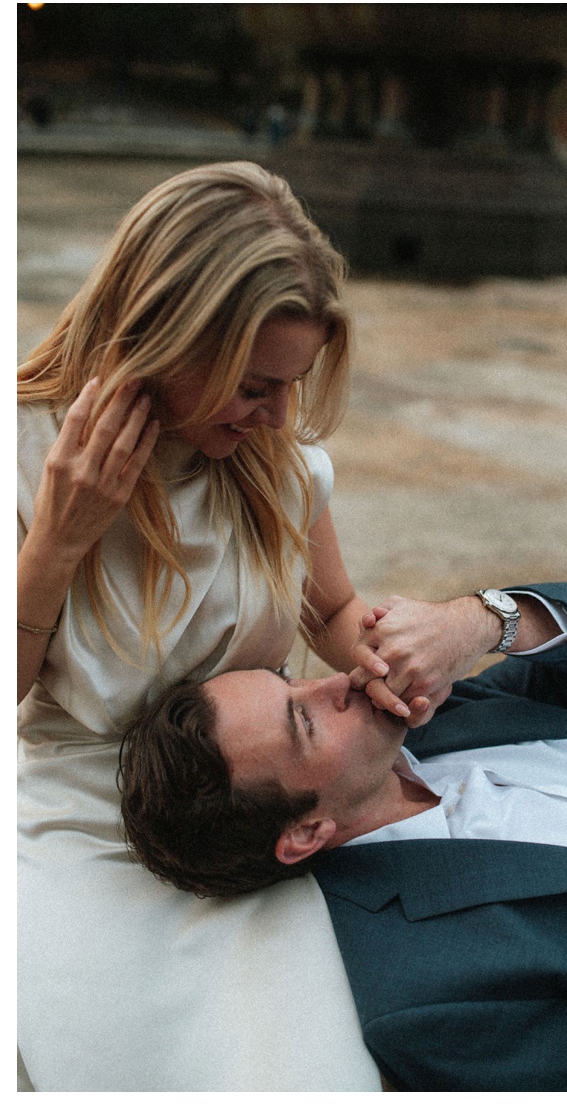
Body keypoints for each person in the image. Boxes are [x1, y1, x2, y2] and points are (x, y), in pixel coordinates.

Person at [17, 162, 453, 1089]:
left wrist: (389, 655)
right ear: (168, 337)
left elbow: (330, 610)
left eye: (291, 384)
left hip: (255, 814)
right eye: (254, 385)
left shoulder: (266, 458)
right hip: (93, 819)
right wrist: (58, 538)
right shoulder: (25, 454)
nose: (281, 417)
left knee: (307, 1059)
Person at [119, 583, 567, 1091]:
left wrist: (479, 622)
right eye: (303, 718)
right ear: (306, 832)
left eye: (291, 678)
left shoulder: (435, 726)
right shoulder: (428, 998)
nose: (336, 682)